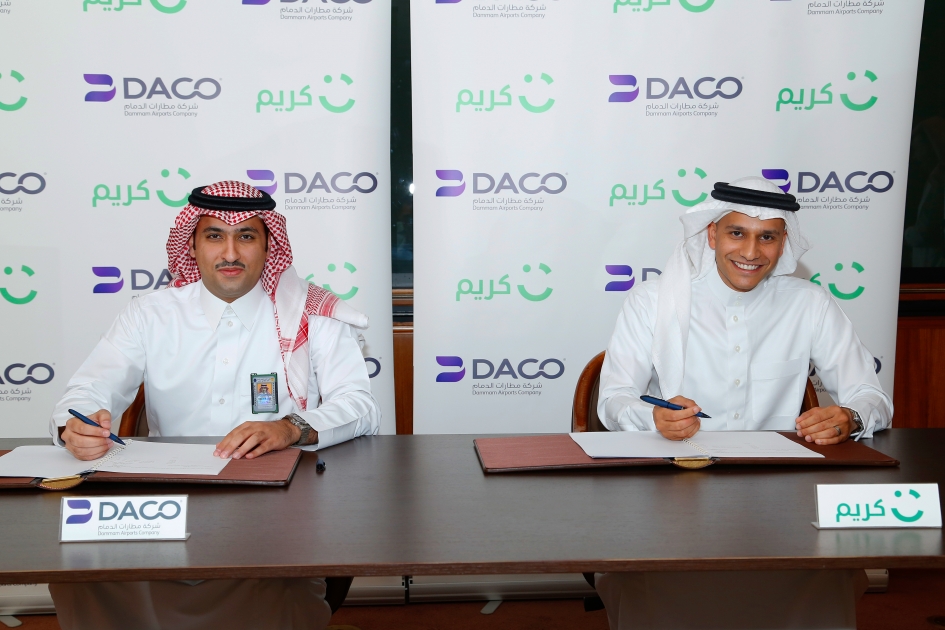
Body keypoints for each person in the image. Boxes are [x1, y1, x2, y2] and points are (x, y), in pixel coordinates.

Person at [48, 181, 381, 630]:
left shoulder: (312, 314)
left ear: (268, 246)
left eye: (246, 236)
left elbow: (360, 405)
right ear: (192, 245)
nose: (230, 253)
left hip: (277, 501)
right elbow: (90, 388)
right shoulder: (149, 314)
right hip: (167, 497)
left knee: (274, 578)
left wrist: (291, 427)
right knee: (83, 568)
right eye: (214, 236)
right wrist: (75, 426)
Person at [595, 176, 891, 630]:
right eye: (737, 233)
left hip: (781, 495)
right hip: (672, 489)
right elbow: (614, 398)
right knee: (659, 580)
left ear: (783, 242)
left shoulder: (809, 304)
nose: (751, 252)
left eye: (767, 237)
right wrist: (652, 417)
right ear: (712, 234)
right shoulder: (652, 301)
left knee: (822, 574)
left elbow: (872, 397)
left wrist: (850, 417)